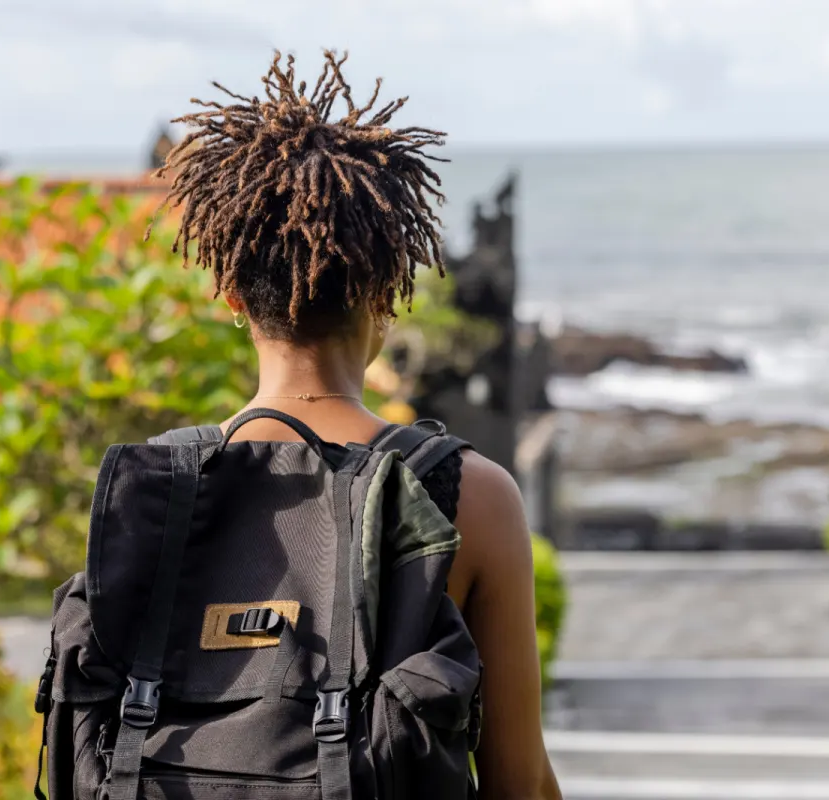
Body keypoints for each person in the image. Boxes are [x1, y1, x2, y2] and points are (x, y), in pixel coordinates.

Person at [153, 50, 562, 799]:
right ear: (387, 293)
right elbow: (520, 784)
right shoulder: (466, 495)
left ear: (232, 296)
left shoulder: (155, 489)